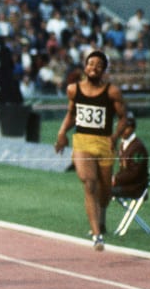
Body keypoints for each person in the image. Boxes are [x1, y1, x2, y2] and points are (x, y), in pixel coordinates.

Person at [54, 49, 129, 251]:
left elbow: (124, 118)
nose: (93, 67)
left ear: (104, 70)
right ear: (85, 66)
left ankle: (101, 220)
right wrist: (62, 133)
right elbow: (71, 114)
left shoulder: (112, 91)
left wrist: (114, 137)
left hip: (104, 142)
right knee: (90, 183)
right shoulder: (73, 89)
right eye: (90, 63)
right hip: (82, 142)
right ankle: (97, 235)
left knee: (104, 191)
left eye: (98, 65)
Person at [110, 112, 149, 199]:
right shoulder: (123, 144)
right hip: (127, 185)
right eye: (121, 127)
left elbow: (135, 173)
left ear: (133, 128)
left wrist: (115, 180)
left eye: (126, 127)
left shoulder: (138, 147)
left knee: (101, 191)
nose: (123, 130)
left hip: (135, 189)